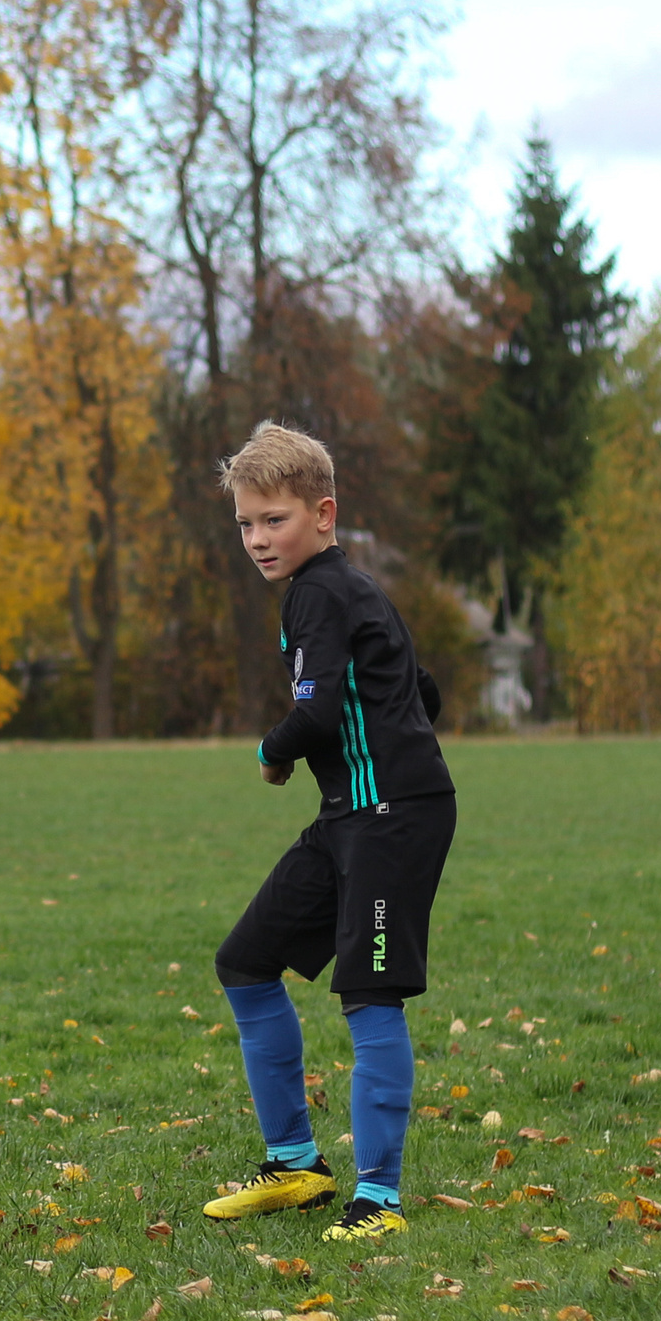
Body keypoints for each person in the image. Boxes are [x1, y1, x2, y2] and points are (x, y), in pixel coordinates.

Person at [202, 420, 457, 1243]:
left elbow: (313, 713)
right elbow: (424, 689)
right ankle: (297, 1168)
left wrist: (272, 754)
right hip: (352, 816)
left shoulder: (322, 592)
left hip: (392, 820)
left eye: (273, 519)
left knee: (369, 991)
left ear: (323, 512)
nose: (257, 538)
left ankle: (378, 1200)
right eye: (245, 522)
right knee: (245, 960)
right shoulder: (347, 590)